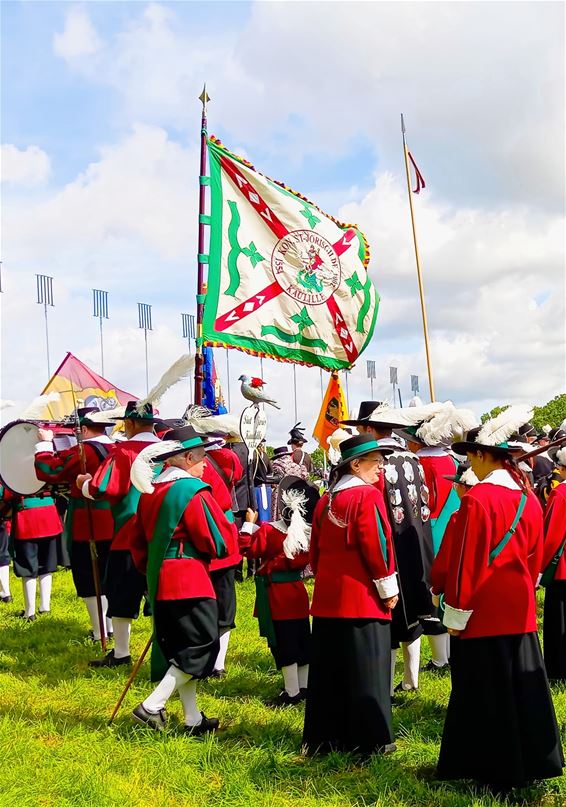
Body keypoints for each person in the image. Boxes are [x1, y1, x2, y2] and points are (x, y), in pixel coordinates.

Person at [434, 414, 563, 787]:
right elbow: (536, 558)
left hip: (483, 611)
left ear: (482, 454)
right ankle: (534, 763)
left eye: (471, 455)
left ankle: (488, 768)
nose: (469, 464)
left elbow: (466, 565)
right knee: (523, 690)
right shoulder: (529, 499)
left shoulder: (478, 500)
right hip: (519, 609)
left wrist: (455, 615)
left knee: (486, 692)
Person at [129, 428, 232, 735]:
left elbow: (137, 543)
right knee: (201, 647)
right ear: (187, 458)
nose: (205, 465)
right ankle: (152, 706)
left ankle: (192, 719)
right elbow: (216, 538)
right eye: (201, 458)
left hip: (160, 578)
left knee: (182, 649)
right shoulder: (192, 490)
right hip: (190, 578)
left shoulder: (150, 492)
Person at [302, 434, 398, 756]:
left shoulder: (326, 499)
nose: (380, 470)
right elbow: (376, 546)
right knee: (367, 673)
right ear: (355, 465)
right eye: (376, 463)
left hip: (329, 600)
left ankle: (325, 739)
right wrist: (387, 587)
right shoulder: (367, 497)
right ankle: (371, 740)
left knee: (329, 675)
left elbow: (314, 553)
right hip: (362, 598)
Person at [345, 403, 434, 695]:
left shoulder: (376, 461)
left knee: (391, 612)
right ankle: (411, 678)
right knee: (415, 610)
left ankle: (386, 682)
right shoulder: (413, 458)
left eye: (362, 427)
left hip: (389, 544)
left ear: (370, 428)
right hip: (417, 541)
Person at [77, 401, 161, 667]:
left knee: (122, 593)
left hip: (129, 531)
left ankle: (122, 652)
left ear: (130, 423)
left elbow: (104, 487)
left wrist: (84, 485)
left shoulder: (124, 450)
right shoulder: (167, 449)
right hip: (163, 532)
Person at [163, 424, 243, 679]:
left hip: (182, 563)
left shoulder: (159, 479)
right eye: (201, 457)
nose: (205, 463)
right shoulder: (200, 477)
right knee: (215, 620)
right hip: (208, 554)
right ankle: (214, 665)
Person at [34, 407, 115, 641]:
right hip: (114, 521)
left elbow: (50, 470)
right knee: (108, 577)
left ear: (85, 429)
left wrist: (44, 445)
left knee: (88, 578)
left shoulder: (84, 451)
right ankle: (109, 627)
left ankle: (100, 632)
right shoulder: (115, 448)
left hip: (87, 522)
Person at [240, 476, 319, 705]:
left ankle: (291, 691)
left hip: (275, 594)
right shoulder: (308, 535)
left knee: (283, 643)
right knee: (302, 639)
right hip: (297, 592)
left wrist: (249, 523)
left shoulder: (270, 532)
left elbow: (247, 549)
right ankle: (304, 687)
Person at [0, 485, 62, 620]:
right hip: (49, 514)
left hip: (27, 517)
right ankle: (45, 607)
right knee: (47, 564)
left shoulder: (16, 469)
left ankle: (30, 613)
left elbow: (5, 494)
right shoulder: (45, 464)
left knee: (28, 566)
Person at [539, 445, 566, 681]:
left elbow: (552, 534)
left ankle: (558, 669)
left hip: (563, 569)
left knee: (559, 620)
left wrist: (540, 568)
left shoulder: (560, 494)